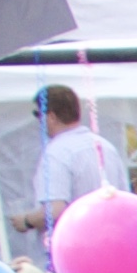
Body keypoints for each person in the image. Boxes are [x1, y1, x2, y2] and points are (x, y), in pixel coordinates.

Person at [20, 82, 119, 261]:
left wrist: (26, 221)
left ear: (51, 117)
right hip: (112, 244)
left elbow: (54, 210)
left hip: (75, 251)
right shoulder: (106, 147)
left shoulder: (56, 152)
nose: (38, 121)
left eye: (38, 114)